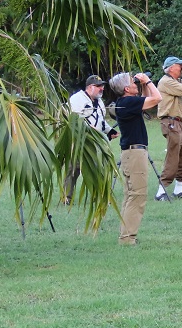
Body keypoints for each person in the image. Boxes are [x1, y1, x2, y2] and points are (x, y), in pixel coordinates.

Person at [107, 71, 161, 245]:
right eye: (133, 82)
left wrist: (144, 85)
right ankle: (127, 238)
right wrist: (149, 81)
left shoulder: (126, 102)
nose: (136, 83)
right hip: (135, 153)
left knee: (130, 195)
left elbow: (146, 102)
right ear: (126, 88)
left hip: (130, 153)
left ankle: (126, 235)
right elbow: (157, 98)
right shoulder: (128, 102)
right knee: (138, 195)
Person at [63, 75, 118, 205]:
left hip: (95, 142)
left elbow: (100, 121)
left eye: (102, 86)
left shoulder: (99, 102)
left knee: (99, 168)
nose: (102, 88)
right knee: (73, 170)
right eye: (98, 86)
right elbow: (73, 120)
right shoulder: (76, 99)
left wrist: (110, 131)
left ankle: (100, 196)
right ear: (89, 87)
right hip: (78, 141)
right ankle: (66, 198)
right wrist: (88, 129)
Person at [155, 56, 182, 200]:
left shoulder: (175, 81)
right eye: (179, 66)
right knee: (173, 157)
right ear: (171, 67)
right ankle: (161, 191)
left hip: (180, 123)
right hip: (171, 123)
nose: (181, 68)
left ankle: (178, 190)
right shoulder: (166, 82)